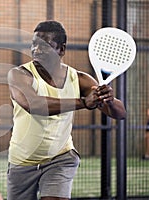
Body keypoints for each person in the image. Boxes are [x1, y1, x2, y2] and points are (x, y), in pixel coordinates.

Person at [7, 20, 126, 200]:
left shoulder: (79, 79)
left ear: (61, 50)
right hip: (22, 162)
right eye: (34, 45)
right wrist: (84, 102)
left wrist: (108, 100)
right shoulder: (20, 74)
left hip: (60, 158)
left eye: (44, 46)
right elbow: (35, 105)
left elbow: (120, 113)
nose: (36, 51)